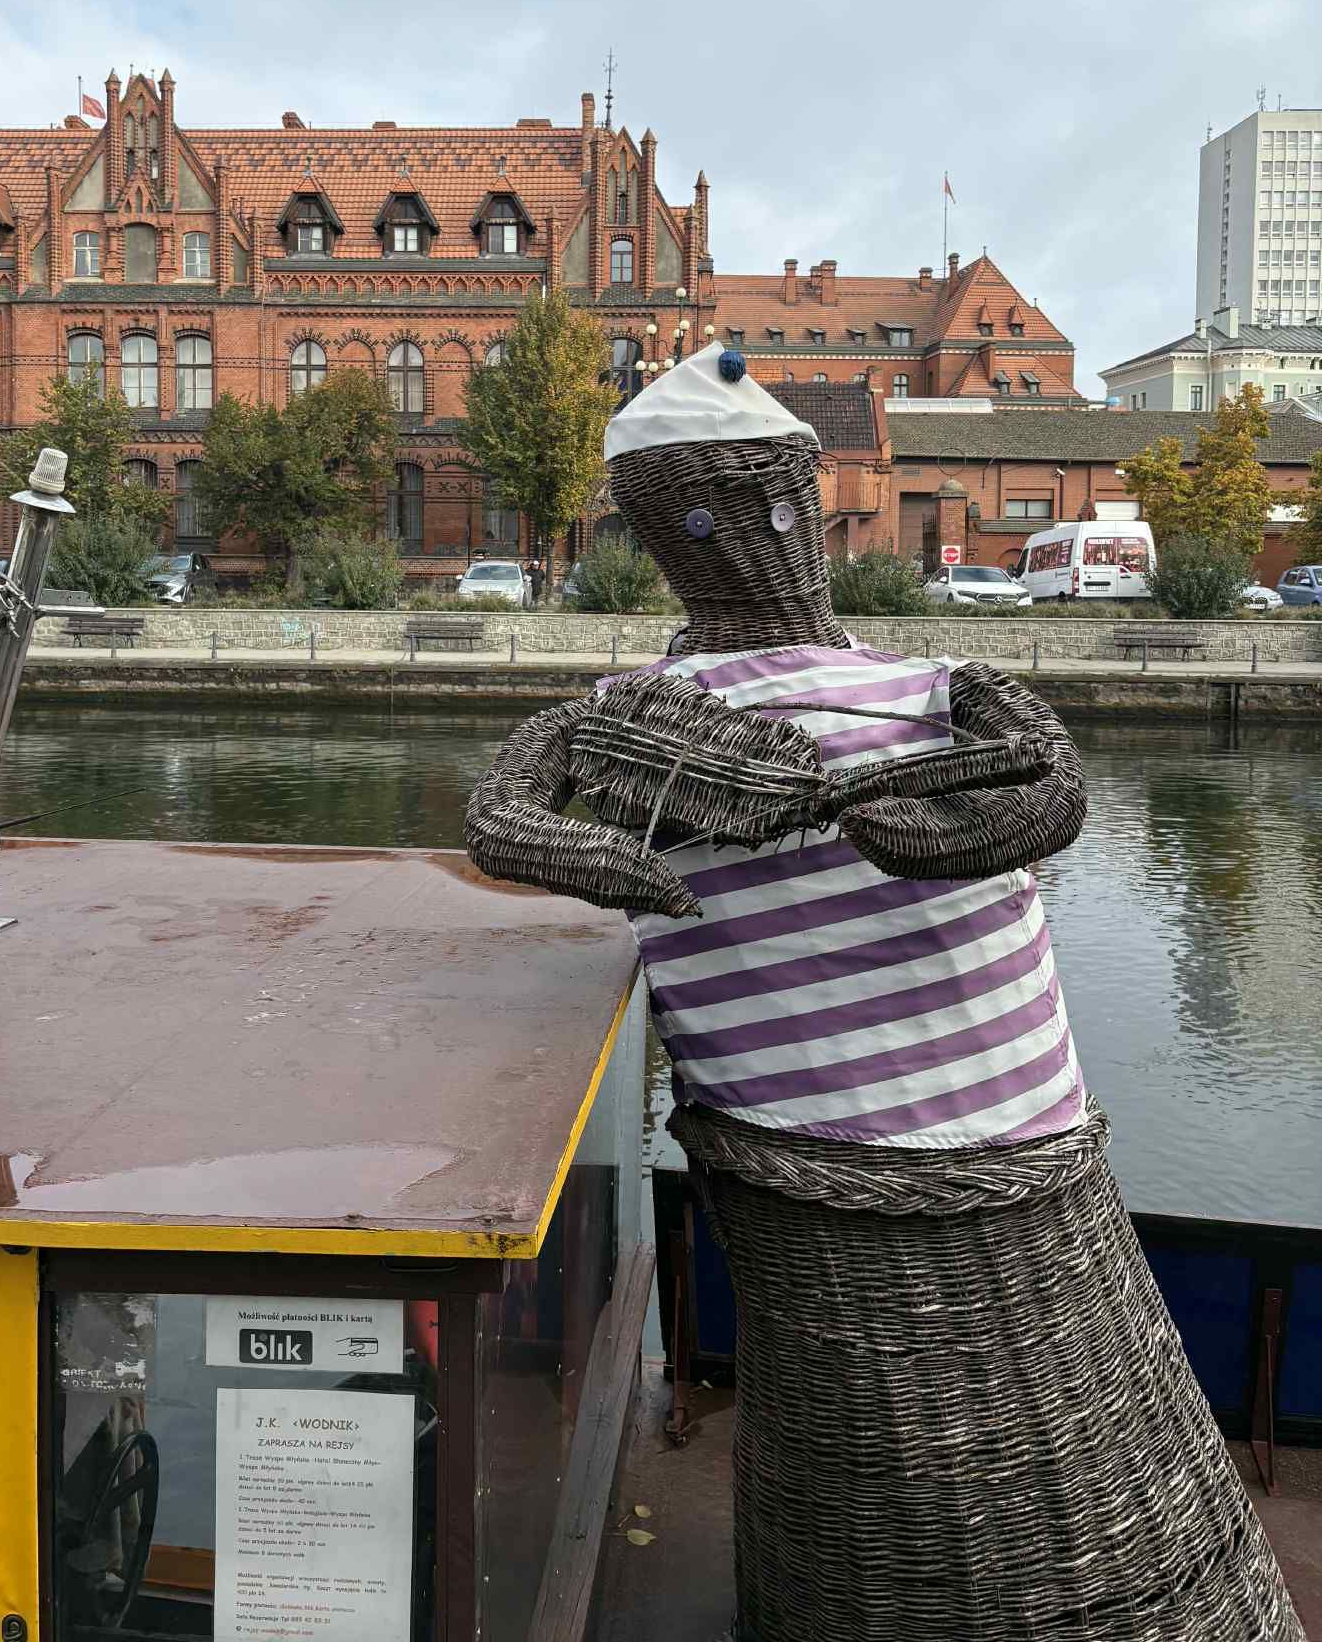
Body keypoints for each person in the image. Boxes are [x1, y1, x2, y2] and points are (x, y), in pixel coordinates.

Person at [465, 343, 1300, 1642]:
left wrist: (630, 867)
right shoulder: (924, 694)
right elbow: (1051, 788)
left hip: (819, 1222)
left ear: (656, 538)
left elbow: (501, 820)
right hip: (1040, 1194)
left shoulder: (629, 728)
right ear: (805, 510)